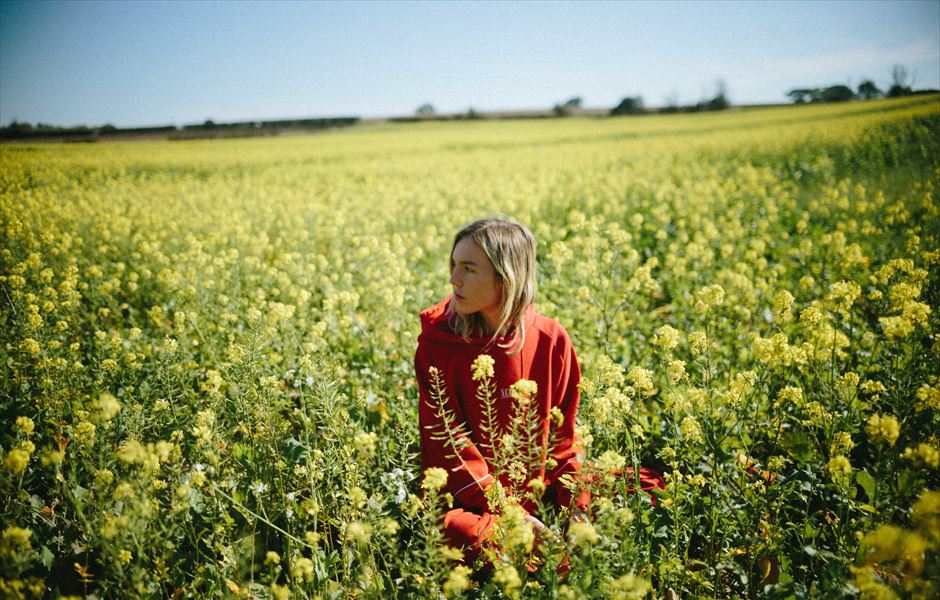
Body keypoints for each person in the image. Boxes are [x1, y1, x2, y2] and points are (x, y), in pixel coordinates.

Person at [414, 217, 662, 565]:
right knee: (460, 534)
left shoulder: (550, 339)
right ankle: (551, 559)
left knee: (648, 489)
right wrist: (512, 516)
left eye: (468, 269)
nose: (453, 279)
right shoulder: (437, 346)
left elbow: (564, 441)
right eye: (454, 265)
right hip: (474, 501)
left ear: (505, 277)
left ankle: (550, 551)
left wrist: (577, 509)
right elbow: (450, 451)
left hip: (540, 489)